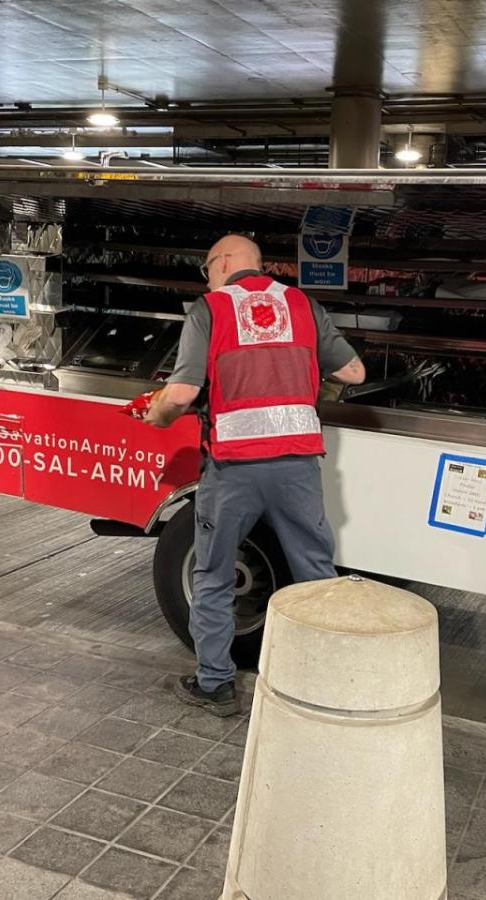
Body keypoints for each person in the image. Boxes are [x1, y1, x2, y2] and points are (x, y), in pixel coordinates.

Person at [144, 234, 366, 716]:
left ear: (222, 263)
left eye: (207, 268)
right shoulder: (303, 304)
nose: (208, 278)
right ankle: (323, 685)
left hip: (234, 471)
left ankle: (216, 685)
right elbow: (353, 373)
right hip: (296, 466)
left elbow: (181, 393)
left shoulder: (210, 308)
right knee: (314, 577)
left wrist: (157, 415)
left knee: (214, 574)